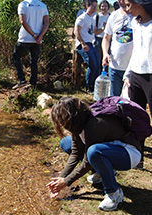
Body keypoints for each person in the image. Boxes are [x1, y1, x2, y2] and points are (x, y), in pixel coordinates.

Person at [46, 96, 142, 211]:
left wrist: (66, 182)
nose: (61, 125)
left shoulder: (95, 124)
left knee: (94, 152)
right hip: (110, 149)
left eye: (61, 121)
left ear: (70, 116)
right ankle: (102, 172)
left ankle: (114, 193)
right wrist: (61, 177)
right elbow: (76, 153)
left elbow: (87, 161)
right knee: (66, 143)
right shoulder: (79, 121)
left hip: (129, 154)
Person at [123, 0, 152, 169]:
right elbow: (135, 50)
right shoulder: (135, 23)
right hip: (135, 75)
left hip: (151, 75)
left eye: (128, 4)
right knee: (136, 118)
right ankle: (138, 158)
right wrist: (128, 73)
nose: (126, 9)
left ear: (140, 3)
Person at [12, 0, 49, 90]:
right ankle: (33, 84)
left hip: (25, 38)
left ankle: (22, 80)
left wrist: (33, 35)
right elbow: (46, 23)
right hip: (37, 40)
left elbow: (23, 22)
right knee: (34, 61)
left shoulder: (23, 4)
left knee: (15, 57)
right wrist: (40, 36)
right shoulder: (42, 5)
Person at [102, 0, 133, 96]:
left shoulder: (138, 16)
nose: (121, 1)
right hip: (115, 66)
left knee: (131, 102)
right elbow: (106, 38)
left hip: (132, 68)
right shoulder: (114, 16)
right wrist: (105, 53)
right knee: (114, 100)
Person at [74, 0, 100, 94]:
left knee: (97, 65)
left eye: (95, 6)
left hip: (90, 43)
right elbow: (76, 31)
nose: (94, 8)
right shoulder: (82, 17)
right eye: (92, 6)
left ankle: (94, 86)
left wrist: (104, 29)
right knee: (92, 65)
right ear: (87, 6)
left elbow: (95, 32)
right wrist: (82, 43)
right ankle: (89, 87)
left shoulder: (92, 18)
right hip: (83, 44)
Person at [93, 0, 110, 73]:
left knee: (108, 59)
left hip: (108, 40)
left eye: (105, 6)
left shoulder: (111, 16)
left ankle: (106, 75)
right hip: (98, 39)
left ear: (108, 7)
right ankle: (98, 76)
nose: (104, 8)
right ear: (100, 7)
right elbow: (95, 31)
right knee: (98, 59)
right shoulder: (96, 16)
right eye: (102, 6)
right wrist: (103, 29)